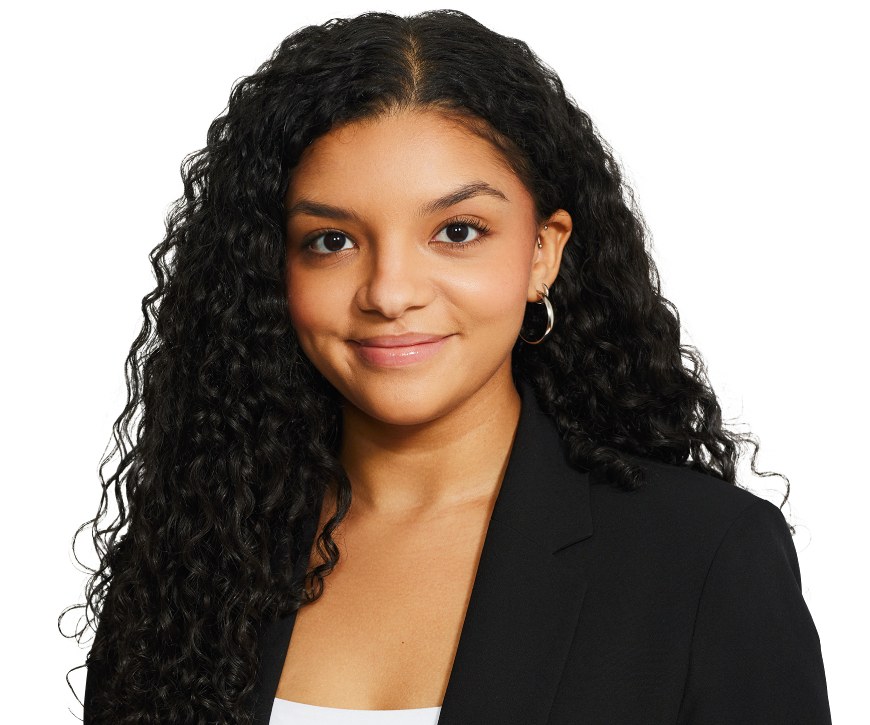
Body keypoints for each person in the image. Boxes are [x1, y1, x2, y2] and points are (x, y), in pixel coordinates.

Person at [67, 9, 832, 724]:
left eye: (457, 231)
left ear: (543, 253)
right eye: (332, 241)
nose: (389, 292)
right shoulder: (196, 553)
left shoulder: (702, 558)